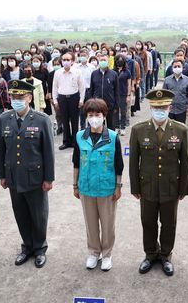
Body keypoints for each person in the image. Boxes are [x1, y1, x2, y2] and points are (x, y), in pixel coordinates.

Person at [129, 88, 188, 277]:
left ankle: (165, 255)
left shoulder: (180, 129)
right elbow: (133, 161)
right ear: (150, 107)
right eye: (156, 107)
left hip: (171, 186)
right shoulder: (138, 130)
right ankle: (150, 254)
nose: (159, 110)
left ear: (170, 107)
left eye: (163, 106)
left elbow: (185, 161)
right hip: (147, 185)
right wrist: (135, 187)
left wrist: (183, 188)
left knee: (169, 222)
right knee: (147, 221)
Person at [0, 80, 55, 268]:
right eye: (13, 97)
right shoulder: (4, 118)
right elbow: (2, 150)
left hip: (35, 177)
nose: (16, 100)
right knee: (20, 213)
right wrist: (2, 175)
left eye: (20, 97)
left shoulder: (41, 119)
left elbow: (48, 152)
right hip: (13, 176)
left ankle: (39, 248)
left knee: (38, 215)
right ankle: (27, 247)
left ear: (29, 98)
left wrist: (48, 178)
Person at [72, 99, 124, 271]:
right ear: (86, 117)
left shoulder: (113, 137)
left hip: (106, 188)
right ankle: (94, 252)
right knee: (91, 223)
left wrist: (118, 186)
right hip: (86, 187)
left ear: (104, 116)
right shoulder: (80, 136)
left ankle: (107, 254)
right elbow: (76, 163)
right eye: (91, 115)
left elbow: (118, 165)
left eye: (97, 115)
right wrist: (75, 185)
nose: (94, 118)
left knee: (108, 224)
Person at [52, 52, 85, 150]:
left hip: (74, 97)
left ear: (72, 61)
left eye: (68, 60)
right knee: (64, 120)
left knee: (75, 121)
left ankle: (75, 142)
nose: (65, 62)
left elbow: (82, 87)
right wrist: (55, 100)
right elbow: (54, 87)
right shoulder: (57, 73)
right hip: (62, 98)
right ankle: (66, 141)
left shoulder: (77, 72)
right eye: (64, 60)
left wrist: (81, 100)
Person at [89, 53, 119, 131]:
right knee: (98, 127)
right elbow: (91, 90)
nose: (103, 61)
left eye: (104, 60)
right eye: (101, 60)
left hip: (110, 105)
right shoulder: (94, 74)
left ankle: (111, 141)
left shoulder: (113, 74)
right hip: (97, 105)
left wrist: (116, 105)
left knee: (111, 127)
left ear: (108, 61)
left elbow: (116, 91)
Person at [163, 59, 188, 124]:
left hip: (182, 110)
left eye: (179, 66)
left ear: (182, 68)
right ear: (172, 68)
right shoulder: (167, 80)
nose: (177, 68)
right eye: (175, 67)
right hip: (169, 110)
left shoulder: (187, 80)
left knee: (180, 130)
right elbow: (164, 95)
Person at [75, 49, 95, 129]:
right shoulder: (76, 67)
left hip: (89, 90)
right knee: (81, 112)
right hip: (79, 91)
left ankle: (91, 128)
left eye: (84, 55)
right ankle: (83, 129)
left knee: (90, 110)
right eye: (81, 56)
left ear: (88, 56)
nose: (83, 57)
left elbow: (94, 80)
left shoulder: (92, 67)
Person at [114, 55, 132, 135]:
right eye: (118, 60)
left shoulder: (127, 72)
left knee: (123, 111)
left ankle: (123, 127)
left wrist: (128, 95)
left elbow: (129, 84)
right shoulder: (113, 71)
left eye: (121, 60)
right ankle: (116, 127)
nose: (119, 61)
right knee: (115, 111)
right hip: (114, 95)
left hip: (123, 94)